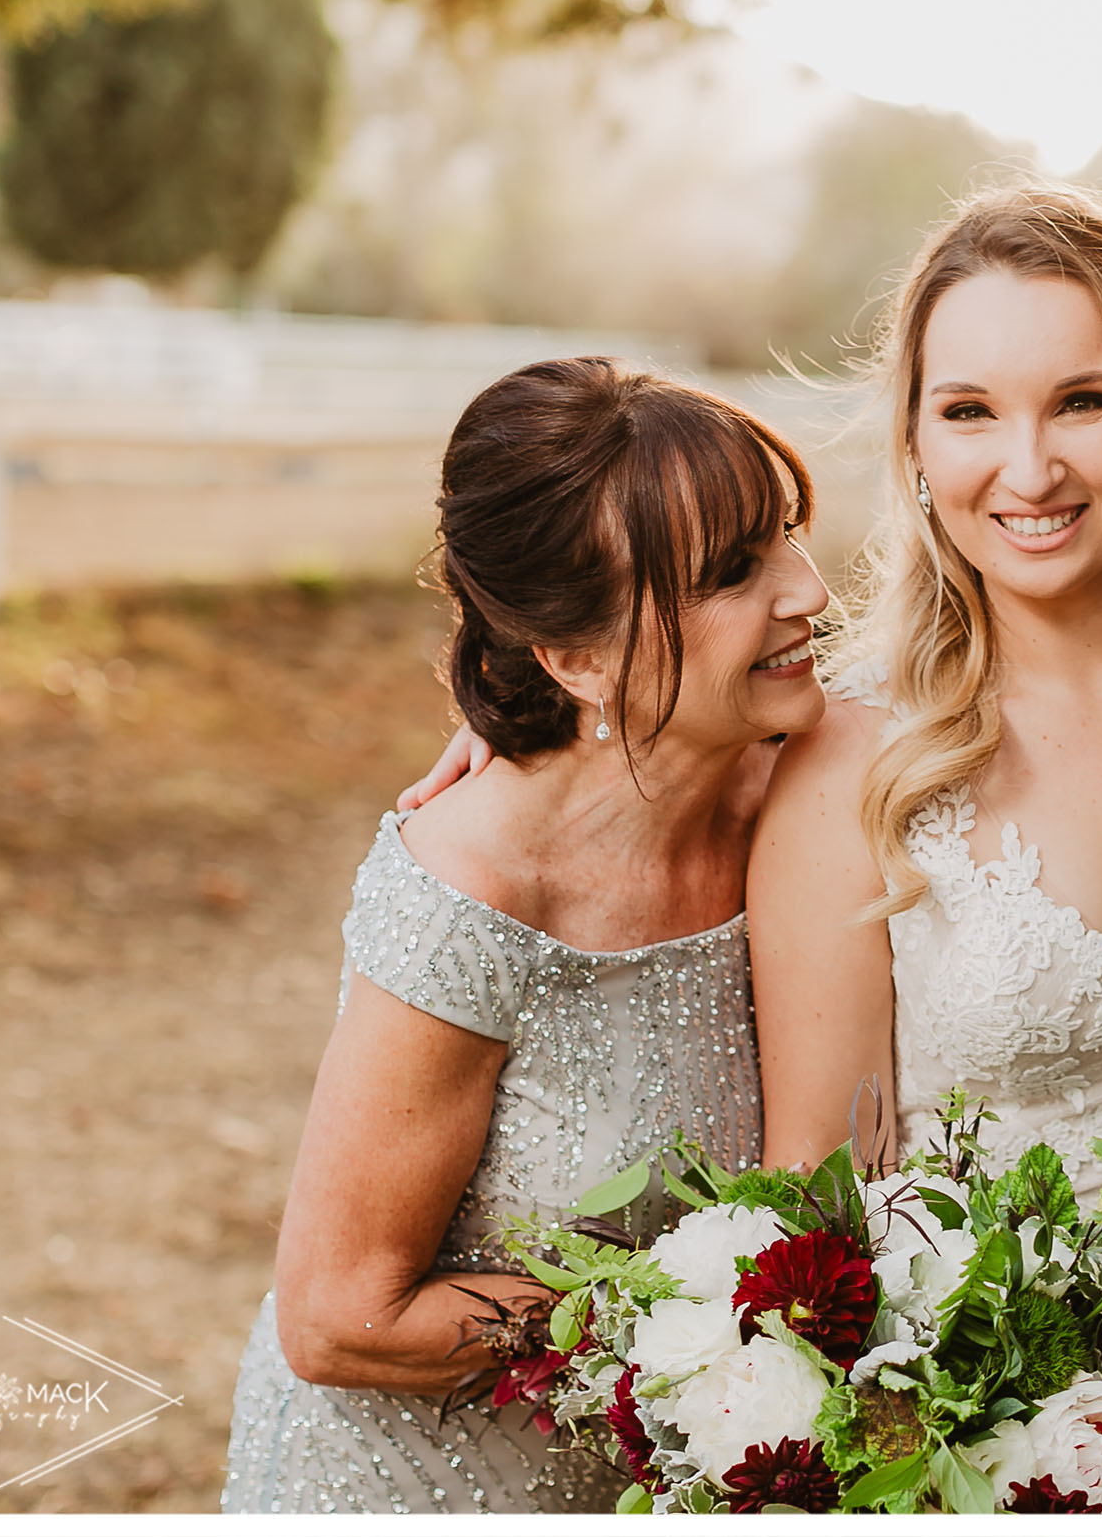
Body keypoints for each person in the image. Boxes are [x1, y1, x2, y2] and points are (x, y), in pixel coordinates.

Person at [749, 184, 1102, 1511]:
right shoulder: (855, 766)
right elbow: (810, 1212)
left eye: (1082, 400)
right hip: (949, 1466)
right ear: (914, 440)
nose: (1028, 468)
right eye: (969, 411)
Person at [221, 361, 828, 1513]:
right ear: (580, 657)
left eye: (789, 535)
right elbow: (337, 1317)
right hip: (418, 1486)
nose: (807, 592)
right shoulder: (473, 897)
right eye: (734, 572)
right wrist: (707, 1306)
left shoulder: (801, 777)